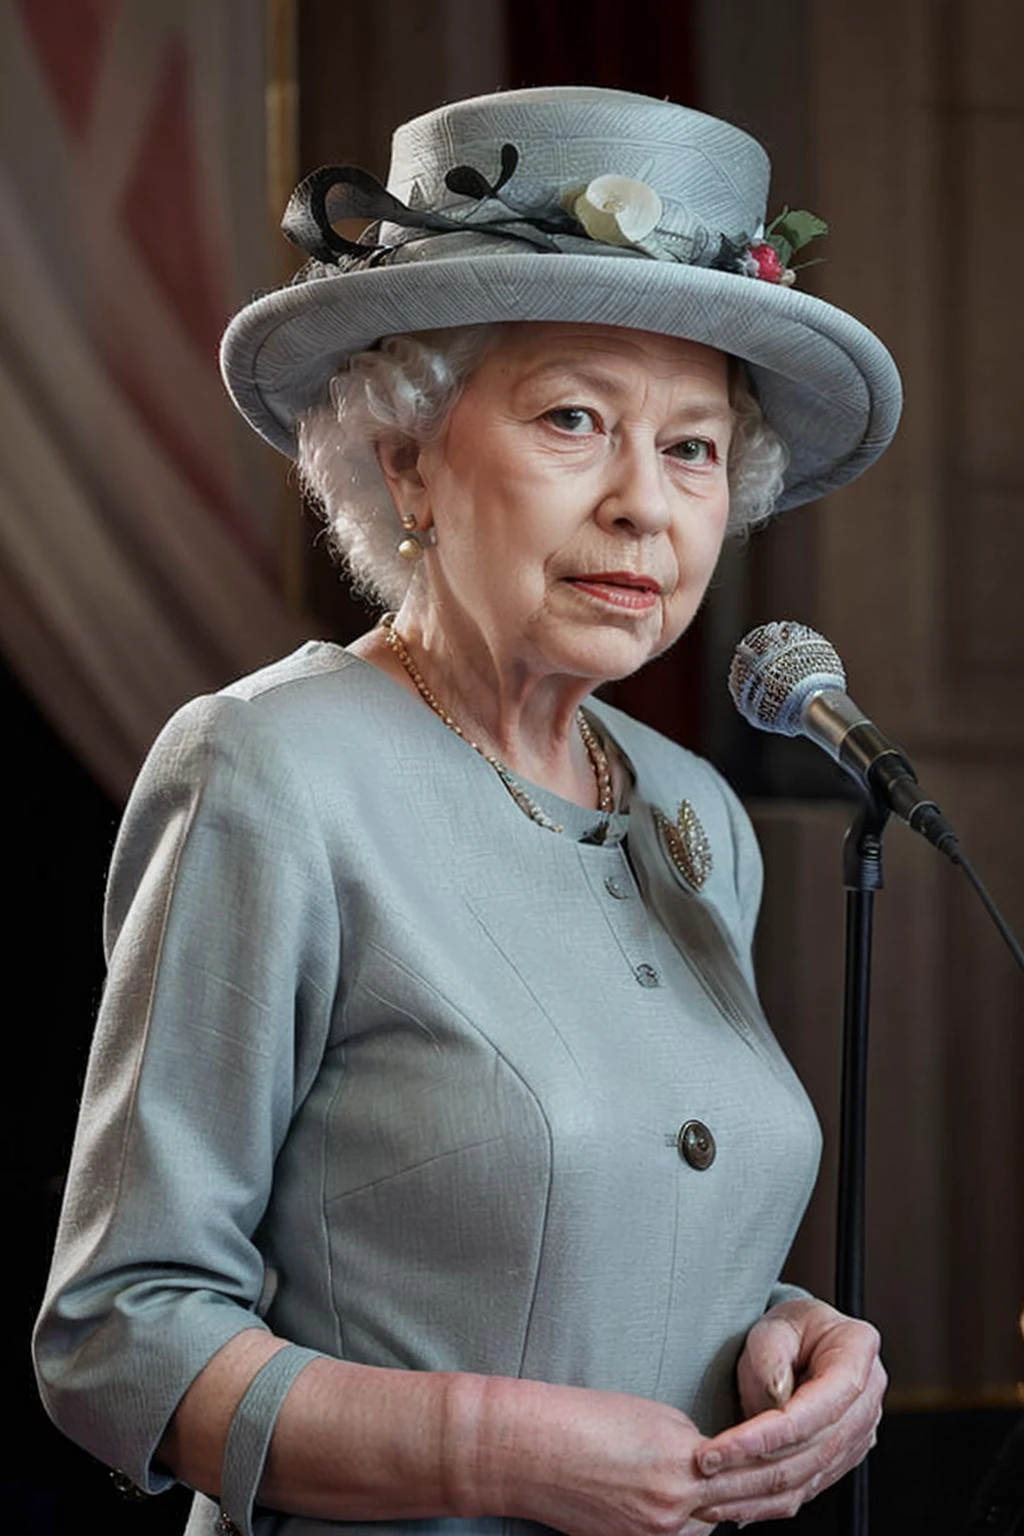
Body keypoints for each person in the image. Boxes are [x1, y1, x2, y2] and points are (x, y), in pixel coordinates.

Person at [33, 85, 901, 1536]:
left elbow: (603, 1227)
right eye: (575, 419)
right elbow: (120, 1333)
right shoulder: (268, 771)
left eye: (692, 448)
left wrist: (800, 1335)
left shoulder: (695, 812)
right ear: (409, 459)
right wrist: (493, 1453)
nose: (647, 505)